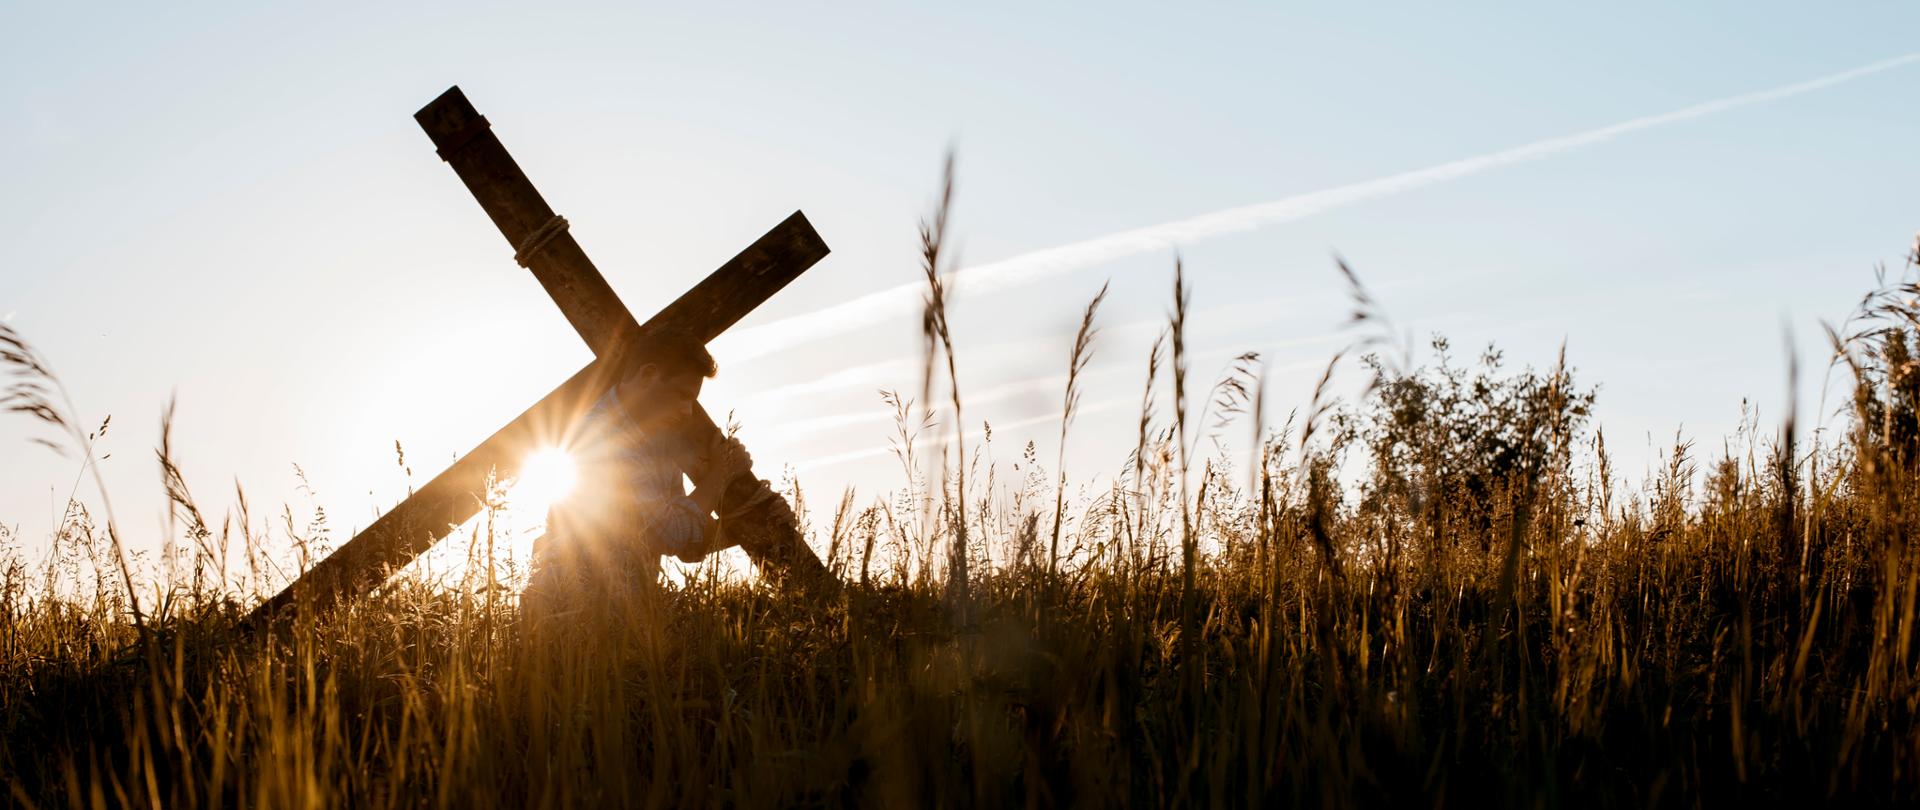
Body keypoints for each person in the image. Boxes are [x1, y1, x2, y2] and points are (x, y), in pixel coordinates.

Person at [522, 329, 752, 619]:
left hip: (621, 617)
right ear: (647, 375)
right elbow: (670, 532)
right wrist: (722, 474)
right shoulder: (601, 439)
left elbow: (684, 543)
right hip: (571, 617)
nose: (688, 411)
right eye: (682, 396)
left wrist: (753, 522)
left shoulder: (658, 441)